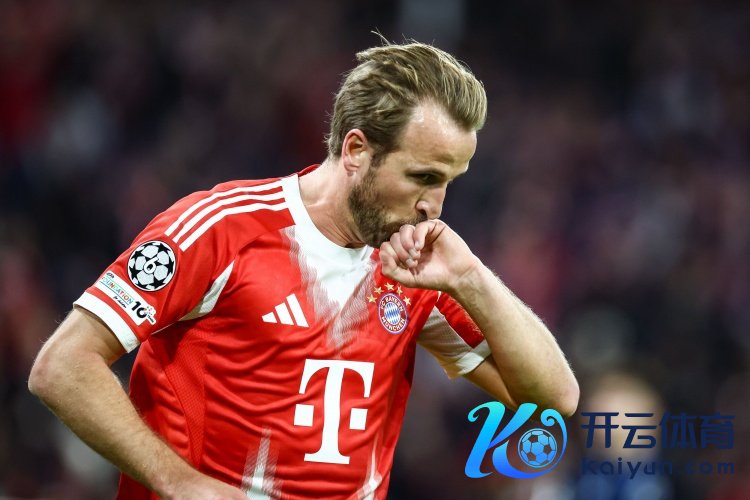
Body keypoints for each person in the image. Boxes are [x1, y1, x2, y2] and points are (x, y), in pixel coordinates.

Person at [28, 41, 579, 499]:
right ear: (356, 149)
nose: (433, 205)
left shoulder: (416, 268)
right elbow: (63, 365)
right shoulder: (221, 230)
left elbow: (553, 402)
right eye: (422, 177)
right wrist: (179, 481)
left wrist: (472, 278)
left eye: (448, 182)